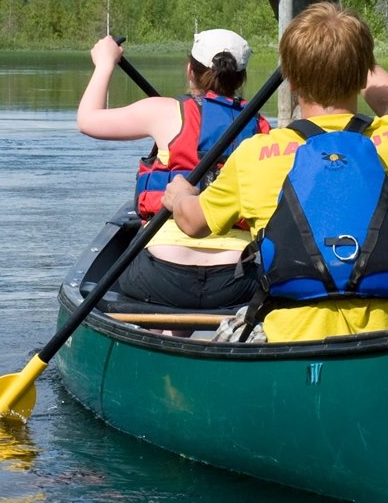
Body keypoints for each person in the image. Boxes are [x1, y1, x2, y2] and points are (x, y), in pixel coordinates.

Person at [161, 2, 388, 343]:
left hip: (291, 340)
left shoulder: (255, 154)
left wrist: (179, 196)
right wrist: (351, 53)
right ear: (363, 70)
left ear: (289, 81)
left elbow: (193, 223)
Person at [76, 29, 271, 310]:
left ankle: (161, 334)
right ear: (242, 79)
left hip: (160, 275)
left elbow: (87, 120)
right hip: (235, 281)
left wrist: (105, 63)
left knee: (138, 279)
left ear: (190, 70)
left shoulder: (164, 111)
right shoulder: (261, 127)